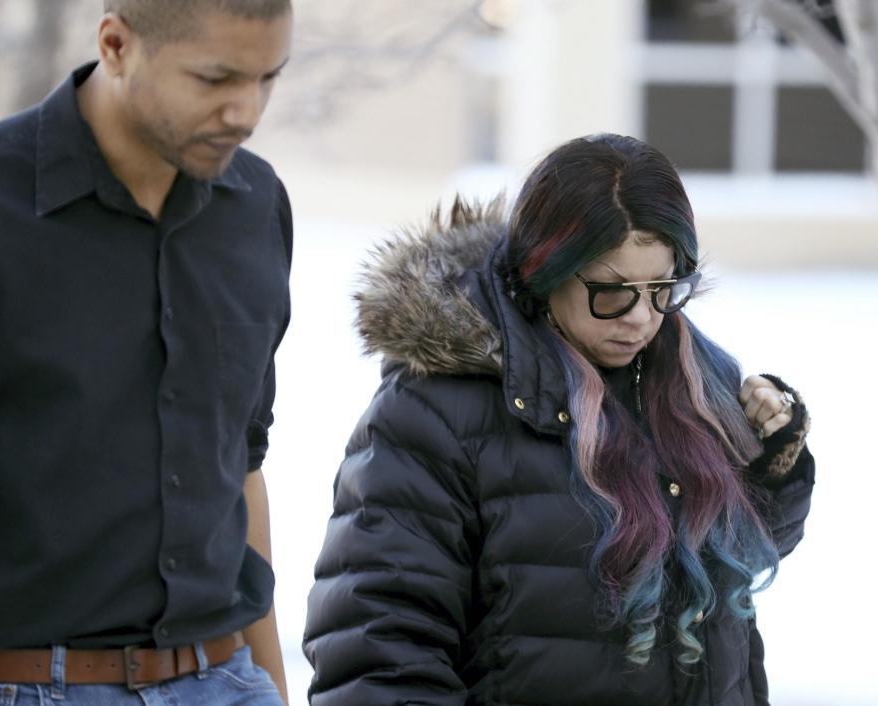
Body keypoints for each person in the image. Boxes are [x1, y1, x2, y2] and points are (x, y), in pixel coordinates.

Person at [303, 134, 814, 705]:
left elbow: (736, 561)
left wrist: (773, 460)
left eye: (663, 289)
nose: (642, 319)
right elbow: (379, 649)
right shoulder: (437, 412)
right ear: (546, 271)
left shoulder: (695, 379)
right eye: (612, 292)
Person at [0, 1, 294, 704]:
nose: (245, 111)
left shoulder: (258, 205)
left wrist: (272, 686)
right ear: (116, 45)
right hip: (22, 688)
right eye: (215, 79)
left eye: (267, 78)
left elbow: (240, 464)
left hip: (228, 679)